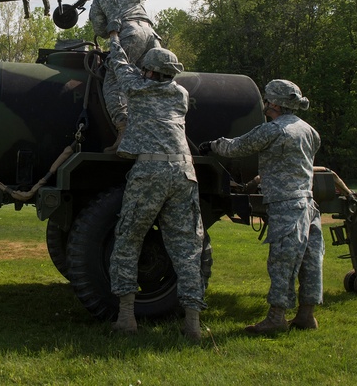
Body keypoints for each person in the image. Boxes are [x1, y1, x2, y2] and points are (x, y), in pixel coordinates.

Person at [199, 79, 323, 333]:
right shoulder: (309, 130)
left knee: (282, 262)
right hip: (309, 203)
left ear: (274, 103)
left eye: (267, 99)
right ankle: (307, 316)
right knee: (310, 261)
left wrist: (211, 146)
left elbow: (238, 146)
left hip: (286, 204)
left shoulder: (274, 130)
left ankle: (277, 318)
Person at [107, 32, 205, 342]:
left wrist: (114, 40)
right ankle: (193, 324)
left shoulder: (138, 88)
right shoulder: (181, 95)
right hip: (184, 172)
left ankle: (126, 318)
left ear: (149, 71)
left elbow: (120, 67)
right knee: (188, 249)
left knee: (128, 240)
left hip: (151, 170)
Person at [88, 0, 159, 151]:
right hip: (151, 36)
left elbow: (101, 29)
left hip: (128, 36)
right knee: (156, 82)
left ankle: (125, 132)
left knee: (113, 81)